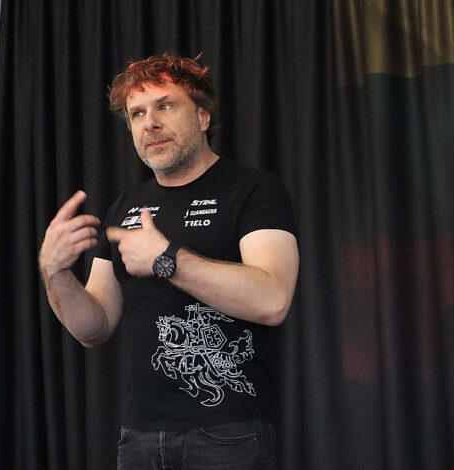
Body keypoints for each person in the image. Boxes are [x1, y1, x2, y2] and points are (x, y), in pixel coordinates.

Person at [38, 53, 299, 470]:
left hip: (228, 432)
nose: (150, 123)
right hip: (139, 436)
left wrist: (166, 260)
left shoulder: (254, 191)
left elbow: (272, 300)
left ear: (202, 117)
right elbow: (94, 328)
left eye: (165, 105)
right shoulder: (126, 206)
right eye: (137, 113)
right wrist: (55, 273)